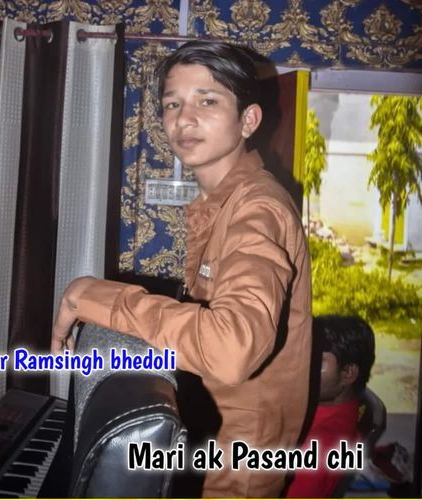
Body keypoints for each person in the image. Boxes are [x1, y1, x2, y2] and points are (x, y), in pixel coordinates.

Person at [52, 41, 312, 498]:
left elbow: (230, 349)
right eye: (173, 104)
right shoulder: (223, 202)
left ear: (248, 120)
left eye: (207, 101)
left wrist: (89, 295)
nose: (184, 119)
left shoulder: (258, 208)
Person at [286, 315, 376, 498]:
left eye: (317, 362)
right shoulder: (347, 408)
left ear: (348, 373)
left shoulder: (319, 446)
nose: (303, 368)